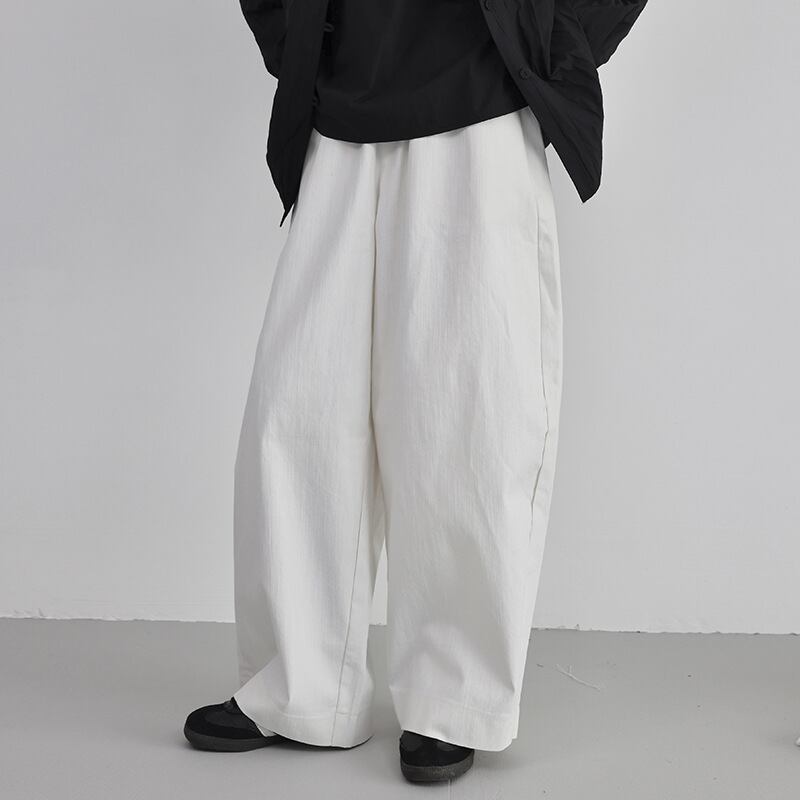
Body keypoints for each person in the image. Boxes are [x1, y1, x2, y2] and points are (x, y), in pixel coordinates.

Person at [184, 0, 648, 784]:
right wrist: (295, 45)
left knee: (468, 419)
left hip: (479, 107)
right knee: (299, 412)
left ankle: (451, 698)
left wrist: (549, 46)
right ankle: (301, 689)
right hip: (339, 104)